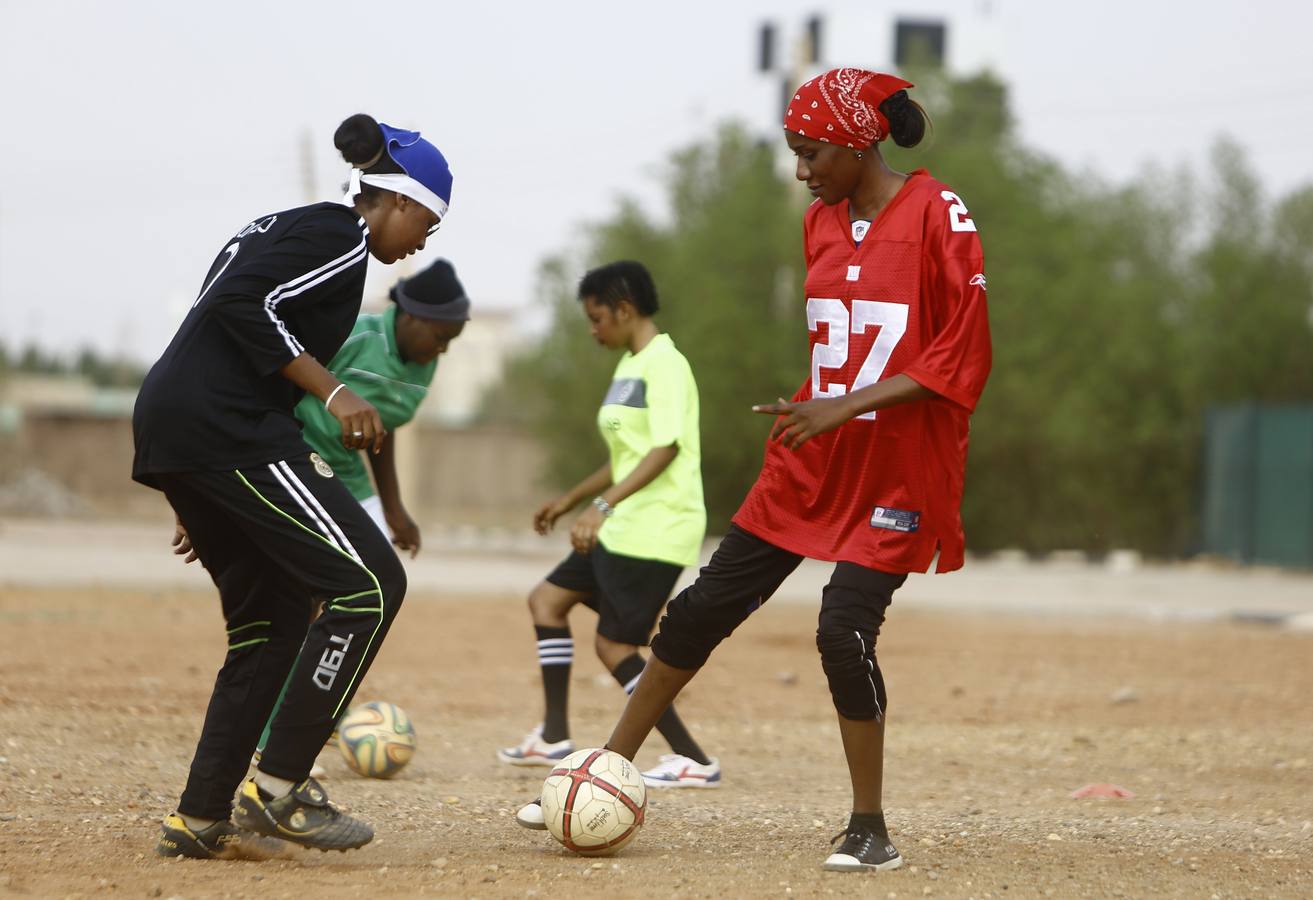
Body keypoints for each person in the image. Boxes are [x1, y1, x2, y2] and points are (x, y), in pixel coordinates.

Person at [517, 69, 992, 873]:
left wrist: (846, 406)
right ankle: (603, 769)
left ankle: (868, 827)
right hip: (811, 461)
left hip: (895, 472)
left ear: (853, 142)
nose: (801, 171)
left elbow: (964, 350)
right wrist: (821, 408)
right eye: (794, 155)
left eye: (810, 153)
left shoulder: (937, 212)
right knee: (699, 611)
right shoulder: (818, 224)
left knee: (842, 629)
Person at [134, 113, 452, 859]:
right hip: (226, 428)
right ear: (400, 201)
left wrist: (201, 487)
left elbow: (229, 317)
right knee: (372, 584)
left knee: (271, 622)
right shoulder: (339, 236)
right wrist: (336, 393)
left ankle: (200, 816)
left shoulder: (285, 226)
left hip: (187, 427)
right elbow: (243, 307)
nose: (422, 245)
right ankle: (280, 789)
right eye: (427, 225)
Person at [498, 261, 719, 791]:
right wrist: (572, 499)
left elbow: (664, 450)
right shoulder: (629, 365)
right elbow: (626, 455)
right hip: (620, 524)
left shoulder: (666, 365)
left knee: (615, 647)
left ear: (625, 309)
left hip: (655, 529)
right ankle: (554, 733)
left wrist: (603, 507)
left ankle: (692, 758)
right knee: (546, 601)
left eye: (597, 319)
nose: (594, 330)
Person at [248, 258, 471, 768]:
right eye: (440, 336)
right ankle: (271, 729)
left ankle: (318, 707)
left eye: (451, 341)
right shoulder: (354, 335)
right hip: (297, 460)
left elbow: (380, 428)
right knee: (308, 594)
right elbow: (283, 376)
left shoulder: (425, 362)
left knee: (374, 585)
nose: (442, 350)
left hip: (345, 473)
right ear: (409, 317)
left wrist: (394, 508)